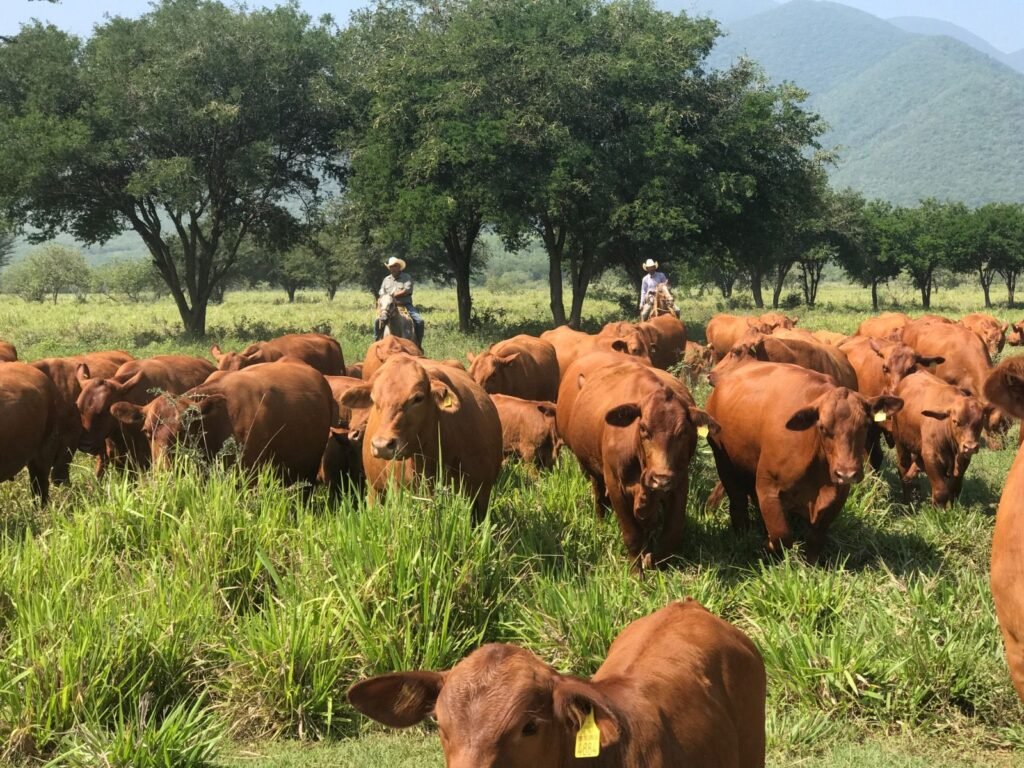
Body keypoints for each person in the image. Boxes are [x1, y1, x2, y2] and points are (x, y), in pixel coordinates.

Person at [376, 256, 425, 347]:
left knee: (419, 321)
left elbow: (407, 290)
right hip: (388, 307)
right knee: (377, 321)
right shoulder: (386, 280)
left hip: (405, 305)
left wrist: (392, 295)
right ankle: (376, 342)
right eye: (391, 266)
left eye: (395, 266)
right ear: (389, 268)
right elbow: (381, 292)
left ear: (399, 267)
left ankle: (418, 344)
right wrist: (384, 299)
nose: (393, 268)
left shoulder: (406, 277)